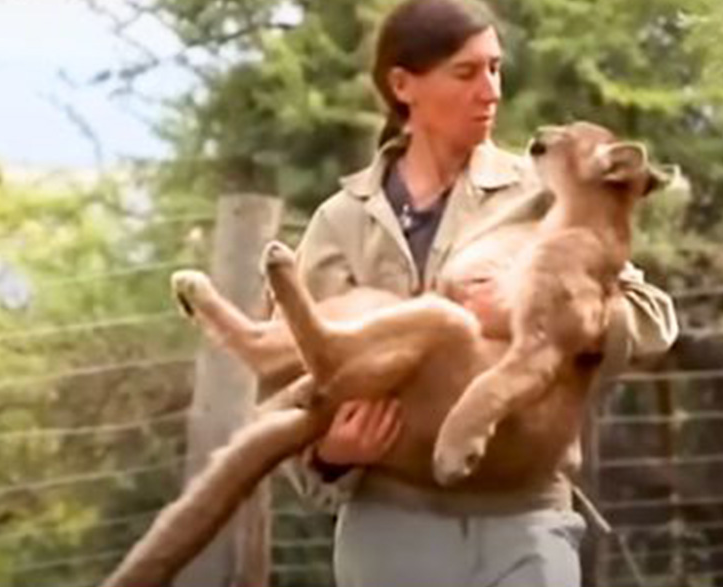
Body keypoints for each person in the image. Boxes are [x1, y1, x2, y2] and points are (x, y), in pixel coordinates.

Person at [281, 1, 679, 585]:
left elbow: (653, 318)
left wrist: (544, 318)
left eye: (495, 69)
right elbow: (292, 370)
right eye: (466, 74)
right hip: (391, 518)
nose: (490, 90)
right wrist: (325, 459)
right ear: (403, 85)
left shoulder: (548, 189)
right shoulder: (341, 223)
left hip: (526, 512)